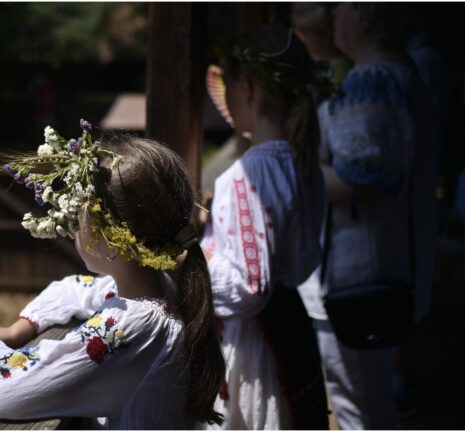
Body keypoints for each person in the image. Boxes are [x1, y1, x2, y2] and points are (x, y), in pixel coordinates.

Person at [0, 122, 225, 428]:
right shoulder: (163, 286)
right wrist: (15, 331)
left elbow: (4, 395)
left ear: (113, 242)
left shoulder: (129, 326)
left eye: (81, 213)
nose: (75, 222)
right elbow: (73, 289)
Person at [300, 3, 430, 429]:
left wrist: (301, 166)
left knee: (360, 410)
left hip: (358, 277)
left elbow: (366, 181)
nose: (332, 17)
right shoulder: (403, 74)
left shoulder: (371, 80)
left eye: (339, 8)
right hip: (384, 268)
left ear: (365, 15)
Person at [201, 25, 329, 429]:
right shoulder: (304, 166)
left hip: (256, 346)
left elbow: (248, 286)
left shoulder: (249, 174)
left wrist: (189, 261)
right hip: (291, 325)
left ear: (248, 88)